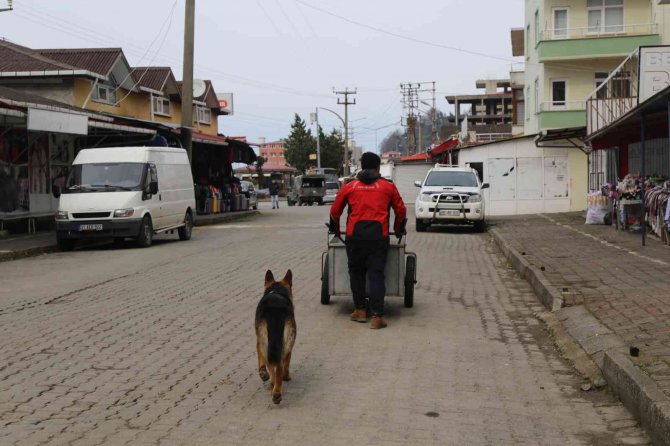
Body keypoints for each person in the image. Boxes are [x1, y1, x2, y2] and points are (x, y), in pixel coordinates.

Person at [329, 152, 407, 329]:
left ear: (361, 167)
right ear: (378, 168)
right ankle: (377, 317)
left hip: (354, 238)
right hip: (378, 238)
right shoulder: (388, 186)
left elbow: (335, 211)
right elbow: (401, 211)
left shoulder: (350, 186)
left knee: (356, 273)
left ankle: (360, 310)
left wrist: (334, 228)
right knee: (376, 274)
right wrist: (397, 229)